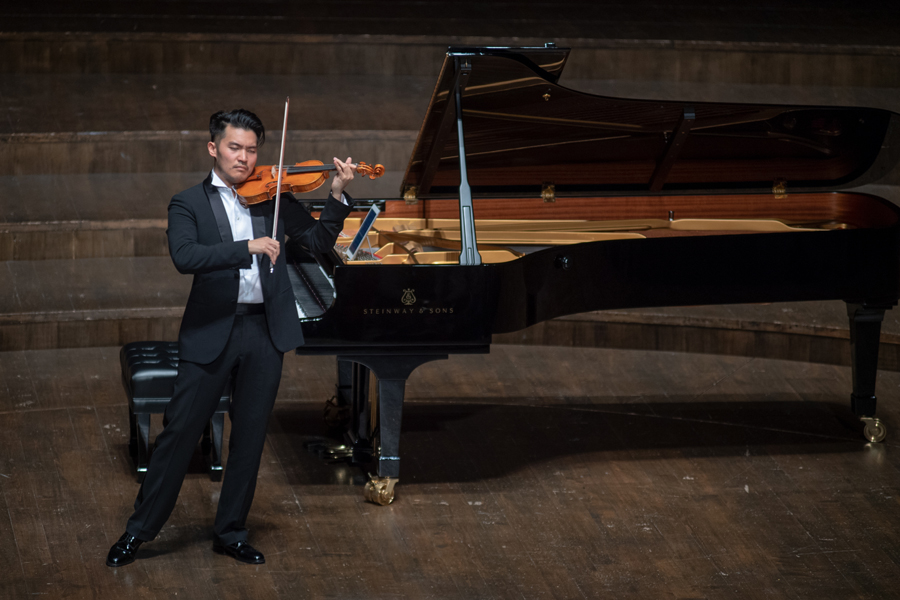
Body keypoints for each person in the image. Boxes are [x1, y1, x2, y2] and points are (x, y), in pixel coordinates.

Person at [107, 109, 356, 567]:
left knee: (250, 437)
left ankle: (231, 532)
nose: (244, 158)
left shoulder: (273, 198)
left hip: (265, 331)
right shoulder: (187, 203)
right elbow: (186, 257)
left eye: (251, 149)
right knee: (179, 434)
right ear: (213, 148)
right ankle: (137, 532)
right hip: (212, 330)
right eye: (234, 147)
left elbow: (319, 242)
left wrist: (337, 194)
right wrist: (247, 248)